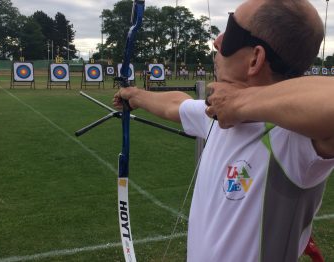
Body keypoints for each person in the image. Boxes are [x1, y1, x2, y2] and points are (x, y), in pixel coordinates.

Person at [113, 0, 334, 261]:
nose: (217, 41)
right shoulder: (216, 114)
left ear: (255, 59)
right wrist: (135, 95)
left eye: (229, 32)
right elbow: (177, 105)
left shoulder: (292, 139)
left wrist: (239, 103)